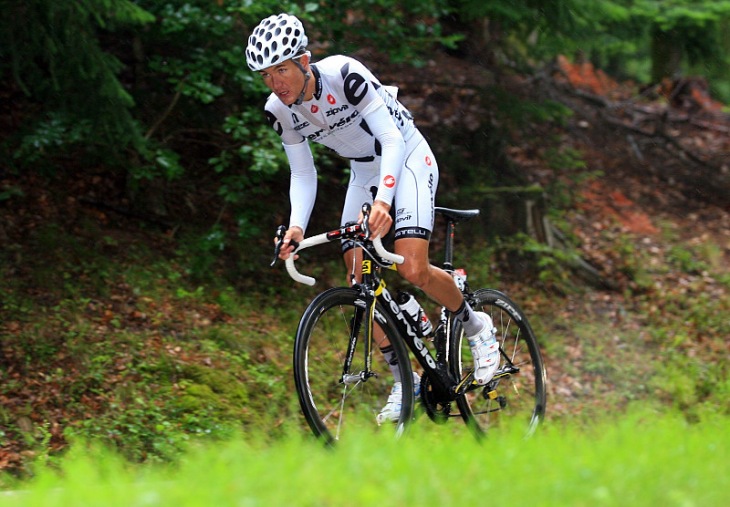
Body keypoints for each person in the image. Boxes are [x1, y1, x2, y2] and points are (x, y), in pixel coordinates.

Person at [246, 13, 500, 423]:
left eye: (282, 70)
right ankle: (407, 379)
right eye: (266, 74)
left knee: (412, 265)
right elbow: (303, 173)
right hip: (364, 172)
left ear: (304, 62)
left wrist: (384, 202)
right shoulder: (280, 111)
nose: (276, 82)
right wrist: (296, 226)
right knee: (357, 275)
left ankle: (477, 326)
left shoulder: (346, 75)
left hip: (407, 155)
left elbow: (391, 138)